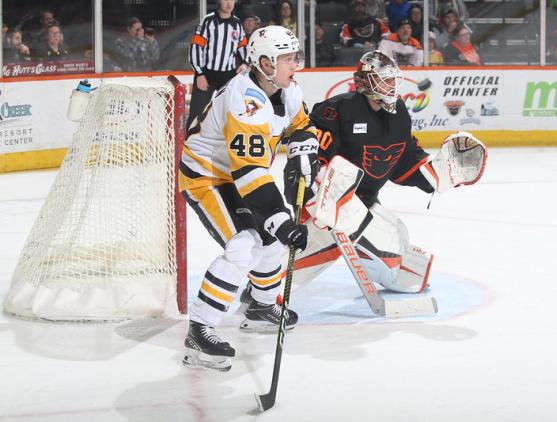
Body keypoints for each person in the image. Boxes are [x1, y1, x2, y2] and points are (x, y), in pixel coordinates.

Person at [281, 51, 486, 298]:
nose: (392, 85)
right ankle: (267, 291)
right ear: (365, 81)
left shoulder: (398, 113)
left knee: (397, 242)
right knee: (328, 239)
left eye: (392, 79)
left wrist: (437, 172)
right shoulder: (337, 110)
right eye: (385, 79)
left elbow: (403, 157)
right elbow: (311, 158)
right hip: (323, 201)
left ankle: (387, 265)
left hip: (362, 203)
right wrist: (319, 198)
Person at [179, 26, 321, 372]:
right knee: (244, 245)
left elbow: (299, 124)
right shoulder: (245, 100)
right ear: (264, 63)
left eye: (294, 57)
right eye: (287, 59)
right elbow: (249, 173)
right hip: (208, 176)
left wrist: (305, 147)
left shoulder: (286, 89)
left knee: (272, 243)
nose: (294, 65)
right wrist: (281, 219)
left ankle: (259, 307)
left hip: (240, 173)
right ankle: (200, 329)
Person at [187, 0, 248, 128]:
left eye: (231, 0)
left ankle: (227, 145)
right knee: (197, 114)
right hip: (207, 75)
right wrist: (199, 73)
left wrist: (245, 63)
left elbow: (243, 47)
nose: (229, 3)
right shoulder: (208, 21)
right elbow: (196, 47)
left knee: (232, 113)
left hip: (228, 76)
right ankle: (189, 145)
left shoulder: (237, 23)